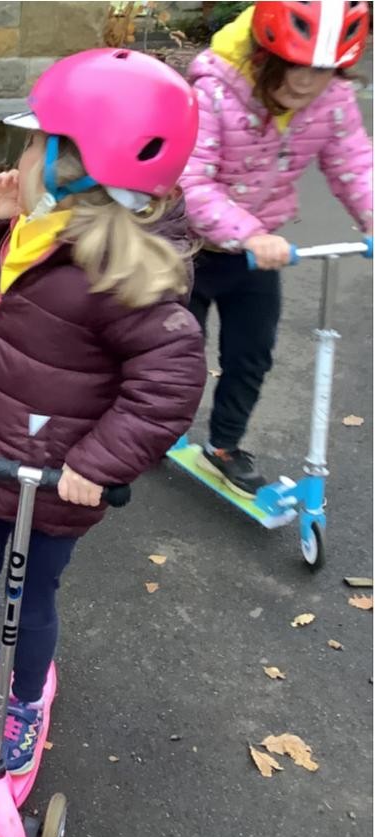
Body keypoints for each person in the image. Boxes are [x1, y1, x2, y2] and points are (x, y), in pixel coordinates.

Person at [0, 48, 207, 776]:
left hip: (52, 481)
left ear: (72, 166)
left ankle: (23, 696)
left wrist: (93, 463)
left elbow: (168, 383)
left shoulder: (123, 271)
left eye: (30, 144)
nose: (17, 158)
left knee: (28, 591)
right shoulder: (26, 233)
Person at [179, 0, 373, 496]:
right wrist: (249, 232)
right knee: (178, 356)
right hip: (188, 249)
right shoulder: (214, 94)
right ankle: (153, 426)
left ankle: (224, 445)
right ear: (267, 53)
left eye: (324, 71)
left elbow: (354, 164)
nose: (307, 84)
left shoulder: (330, 100)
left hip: (255, 254)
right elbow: (191, 181)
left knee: (251, 355)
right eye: (296, 67)